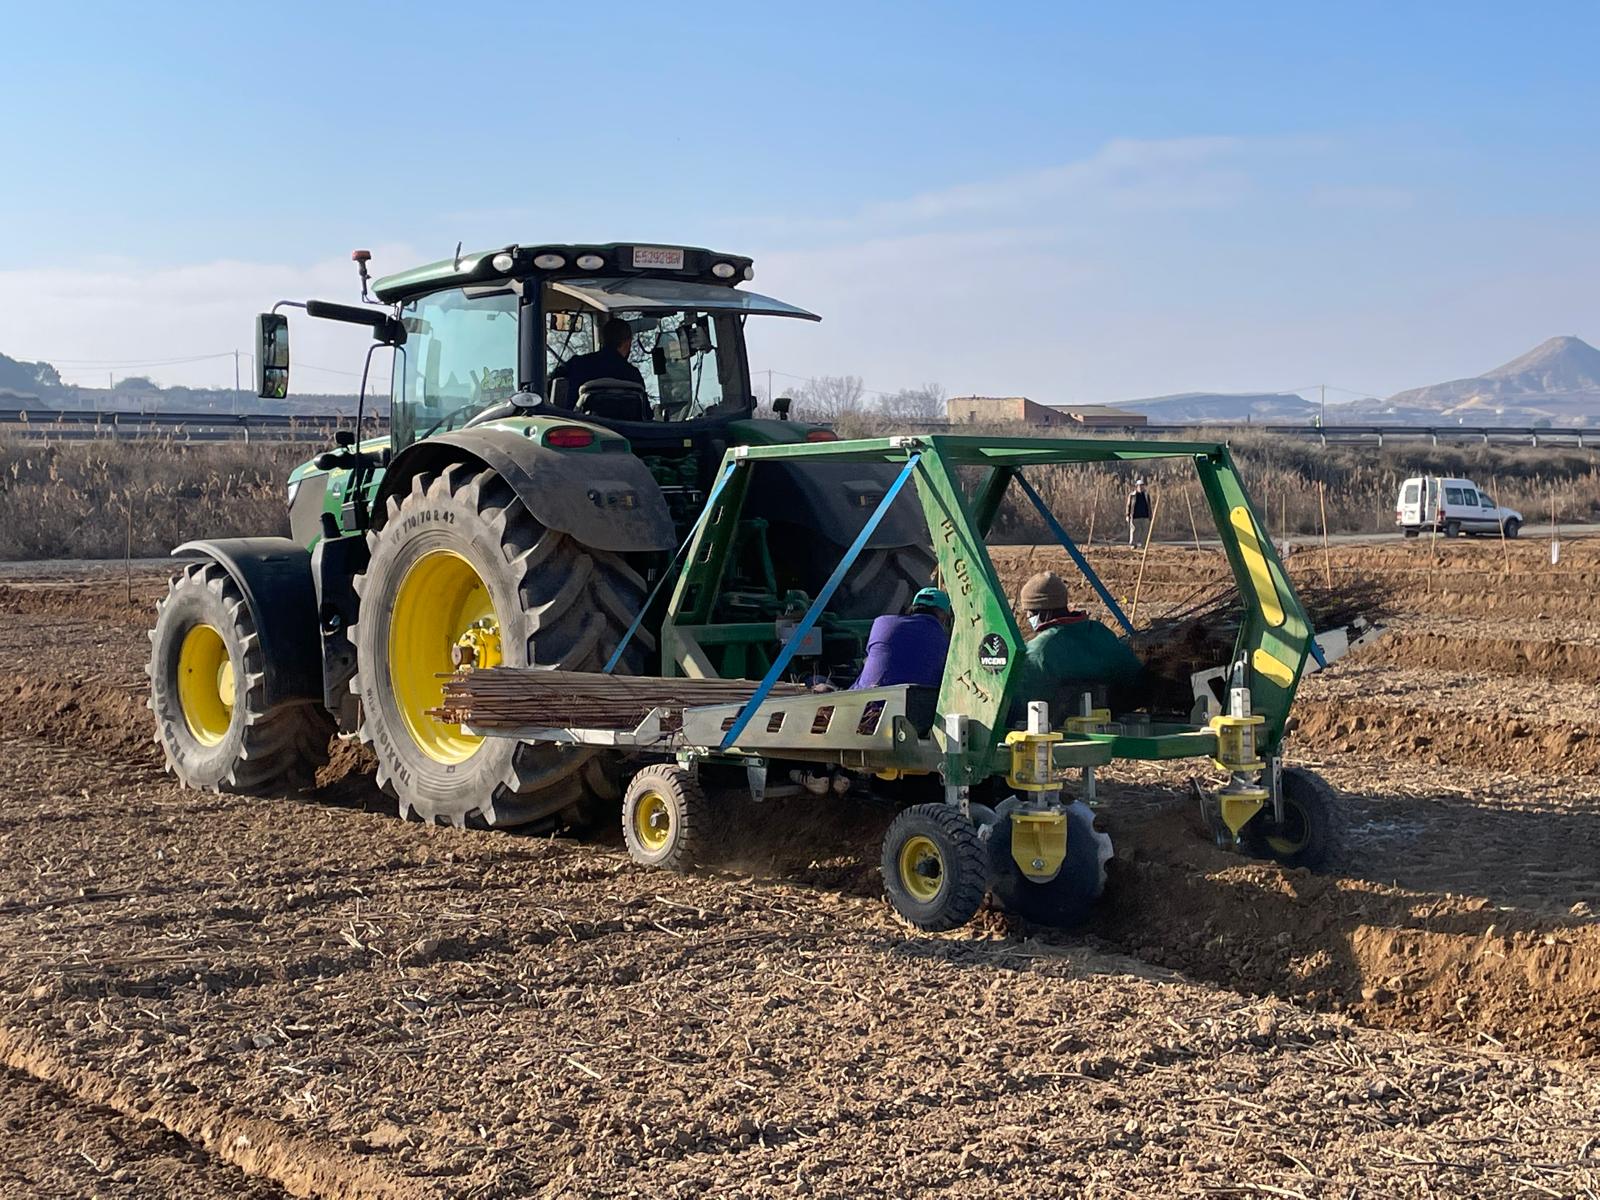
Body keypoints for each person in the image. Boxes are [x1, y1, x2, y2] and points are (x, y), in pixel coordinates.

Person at [1012, 571, 1144, 721]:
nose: (1028, 617)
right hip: (1110, 722)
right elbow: (1135, 675)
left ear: (1043, 612)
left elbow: (1018, 702)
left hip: (1055, 728)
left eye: (1030, 612)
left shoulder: (1039, 651)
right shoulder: (1100, 632)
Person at [851, 588, 953, 689]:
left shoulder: (882, 623)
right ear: (943, 615)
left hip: (867, 696)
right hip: (919, 697)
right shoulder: (944, 641)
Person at [550, 316, 646, 404]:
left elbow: (550, 390)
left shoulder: (576, 365)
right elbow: (645, 413)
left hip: (577, 418)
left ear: (603, 339)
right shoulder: (633, 376)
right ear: (627, 343)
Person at [1126, 478, 1152, 546]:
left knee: (1145, 531)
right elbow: (1128, 505)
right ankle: (1133, 544)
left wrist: (1150, 515)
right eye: (1139, 486)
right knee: (1134, 530)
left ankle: (1143, 544)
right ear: (1136, 486)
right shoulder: (1132, 495)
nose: (1140, 487)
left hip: (1145, 516)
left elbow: (1149, 506)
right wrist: (1127, 515)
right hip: (1135, 516)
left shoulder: (1146, 495)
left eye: (1142, 485)